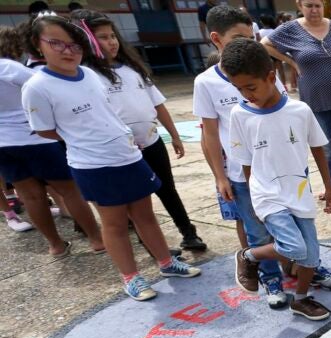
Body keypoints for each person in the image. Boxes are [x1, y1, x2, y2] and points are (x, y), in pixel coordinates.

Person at [22, 14, 201, 300]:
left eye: (74, 45)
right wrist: (86, 141)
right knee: (115, 223)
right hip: (94, 164)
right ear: (37, 44)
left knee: (146, 216)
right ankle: (131, 278)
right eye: (57, 43)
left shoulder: (90, 74)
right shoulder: (37, 87)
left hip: (129, 155)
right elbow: (45, 130)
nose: (68, 51)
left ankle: (167, 263)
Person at [74, 9, 208, 253]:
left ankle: (189, 233)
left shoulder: (133, 69)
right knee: (136, 202)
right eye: (102, 37)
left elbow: (157, 104)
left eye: (112, 35)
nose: (111, 42)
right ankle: (153, 246)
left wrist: (174, 135)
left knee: (167, 189)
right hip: (123, 151)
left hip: (152, 141)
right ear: (87, 40)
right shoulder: (88, 76)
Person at [223, 39, 331, 320]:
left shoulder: (300, 110)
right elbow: (247, 164)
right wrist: (254, 202)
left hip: (299, 190)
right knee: (294, 247)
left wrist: (329, 185)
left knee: (310, 255)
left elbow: (318, 148)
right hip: (268, 194)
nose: (246, 94)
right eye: (239, 89)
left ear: (271, 77)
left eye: (251, 87)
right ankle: (248, 256)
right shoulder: (240, 114)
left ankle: (300, 299)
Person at [195, 5, 291, 307]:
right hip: (241, 174)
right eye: (238, 38)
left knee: (290, 221)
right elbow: (209, 134)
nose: (247, 44)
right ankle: (270, 278)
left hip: (277, 168)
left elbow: (283, 116)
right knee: (256, 229)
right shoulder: (206, 83)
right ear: (216, 39)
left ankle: (301, 266)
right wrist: (220, 176)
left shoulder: (266, 71)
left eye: (250, 38)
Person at [0, 24, 104, 255]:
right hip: (34, 138)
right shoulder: (9, 67)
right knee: (69, 190)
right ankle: (96, 239)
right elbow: (45, 83)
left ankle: (55, 245)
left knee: (29, 196)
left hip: (4, 144)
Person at [263, 0, 331, 197]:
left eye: (317, 5)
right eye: (309, 5)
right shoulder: (291, 29)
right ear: (300, 6)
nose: (314, 10)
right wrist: (291, 61)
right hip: (314, 100)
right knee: (326, 147)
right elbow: (265, 44)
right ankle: (330, 184)